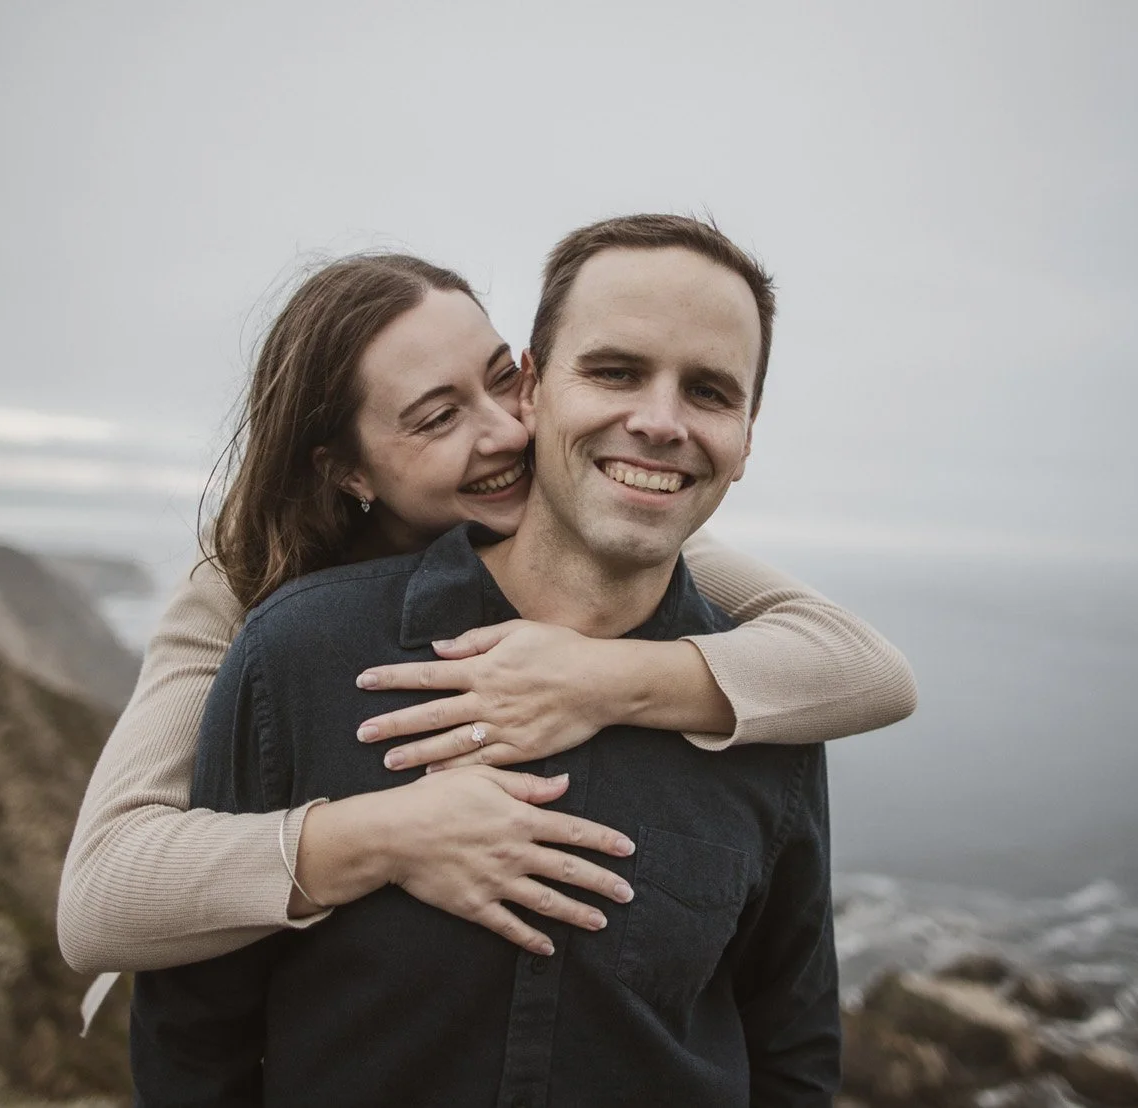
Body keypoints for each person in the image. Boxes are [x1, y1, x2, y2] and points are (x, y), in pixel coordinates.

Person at [131, 214, 839, 1106]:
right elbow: (192, 1032)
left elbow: (792, 1045)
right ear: (536, 391)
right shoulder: (297, 650)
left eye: (708, 392)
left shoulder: (763, 705)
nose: (659, 423)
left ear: (746, 433)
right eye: (614, 371)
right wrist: (375, 837)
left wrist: (625, 681)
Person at [58, 251, 915, 982]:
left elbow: (865, 668)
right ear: (346, 472)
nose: (505, 431)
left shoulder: (557, 495)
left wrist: (604, 680)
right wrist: (393, 832)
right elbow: (100, 901)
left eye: (502, 380)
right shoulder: (242, 587)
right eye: (437, 418)